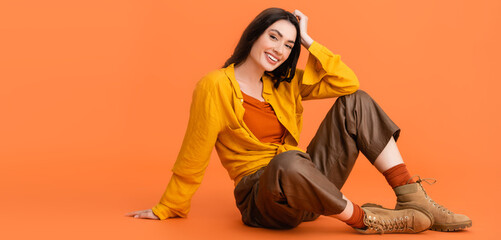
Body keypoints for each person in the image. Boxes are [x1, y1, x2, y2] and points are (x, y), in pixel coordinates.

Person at [125, 7, 471, 234]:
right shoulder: (215, 85)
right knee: (289, 162)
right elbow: (194, 150)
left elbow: (346, 84)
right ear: (254, 35)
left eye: (289, 44)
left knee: (356, 102)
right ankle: (367, 220)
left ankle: (412, 197)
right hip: (262, 199)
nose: (279, 48)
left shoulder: (284, 82)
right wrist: (169, 206)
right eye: (273, 36)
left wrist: (309, 41)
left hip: (304, 181)